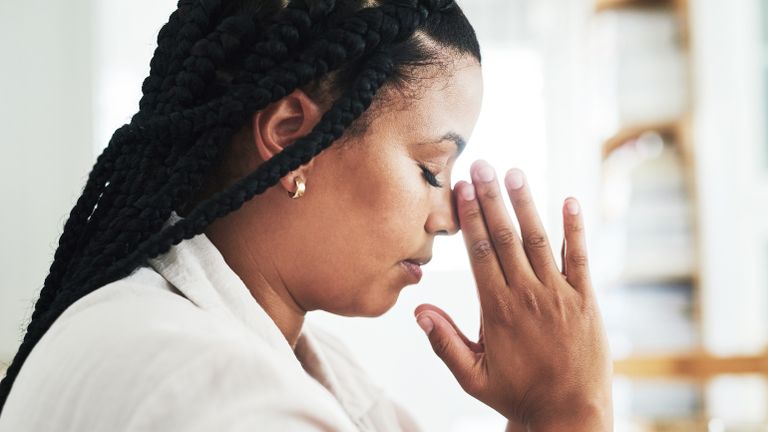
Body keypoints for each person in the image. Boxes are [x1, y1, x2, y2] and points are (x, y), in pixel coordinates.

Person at [0, 0, 613, 430]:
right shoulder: (213, 390)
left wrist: (539, 413)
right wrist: (570, 411)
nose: (448, 219)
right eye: (431, 169)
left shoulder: (292, 360)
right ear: (294, 139)